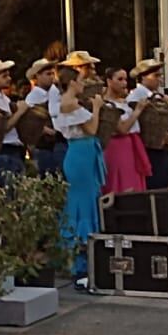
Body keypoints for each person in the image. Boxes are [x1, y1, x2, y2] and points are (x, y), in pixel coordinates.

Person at [54, 53, 106, 289]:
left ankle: (84, 258)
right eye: (80, 80)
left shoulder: (67, 103)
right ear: (72, 82)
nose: (83, 84)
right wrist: (96, 108)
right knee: (80, 204)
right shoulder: (69, 103)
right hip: (80, 152)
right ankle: (79, 260)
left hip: (83, 153)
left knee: (85, 201)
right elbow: (92, 128)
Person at [127, 59, 168, 189]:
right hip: (147, 148)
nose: (159, 79)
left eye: (160, 75)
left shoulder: (158, 96)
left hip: (161, 149)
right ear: (143, 76)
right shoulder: (136, 97)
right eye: (156, 75)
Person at [101, 66, 150, 194]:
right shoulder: (107, 104)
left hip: (131, 146)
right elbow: (122, 128)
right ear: (109, 81)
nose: (124, 83)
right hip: (117, 147)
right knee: (122, 183)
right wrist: (138, 110)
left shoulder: (124, 101)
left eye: (125, 80)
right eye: (120, 79)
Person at [0, 60, 28, 182]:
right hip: (4, 149)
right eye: (4, 76)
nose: (9, 79)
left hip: (14, 148)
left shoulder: (4, 98)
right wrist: (20, 112)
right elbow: (2, 128)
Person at [22, 59, 64, 178]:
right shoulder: (32, 98)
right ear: (37, 76)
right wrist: (46, 130)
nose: (51, 77)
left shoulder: (55, 93)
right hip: (43, 145)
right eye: (47, 74)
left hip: (58, 141)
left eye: (52, 74)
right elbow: (29, 123)